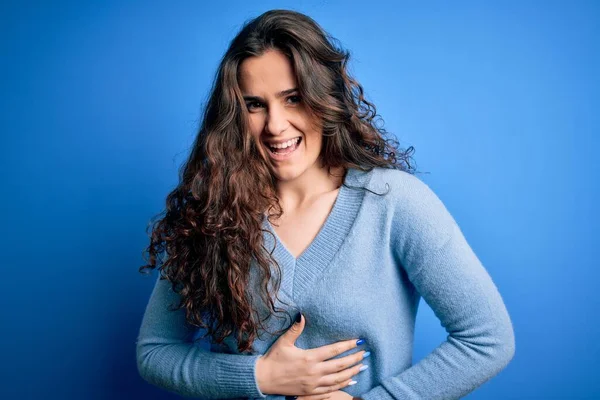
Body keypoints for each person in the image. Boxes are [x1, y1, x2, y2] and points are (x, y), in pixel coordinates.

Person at [136, 8, 515, 400]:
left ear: (323, 98)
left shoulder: (393, 203)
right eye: (255, 104)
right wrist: (259, 378)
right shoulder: (214, 212)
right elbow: (155, 353)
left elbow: (488, 339)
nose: (275, 125)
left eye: (293, 98)